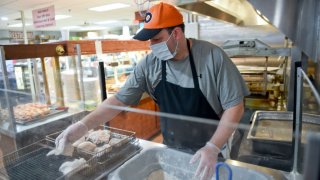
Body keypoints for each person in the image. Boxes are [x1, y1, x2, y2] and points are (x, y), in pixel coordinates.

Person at [54, 2, 249, 179]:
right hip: (172, 148)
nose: (151, 46)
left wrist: (213, 147)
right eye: (149, 41)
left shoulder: (213, 57)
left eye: (157, 39)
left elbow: (235, 106)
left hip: (213, 149)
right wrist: (83, 125)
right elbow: (119, 101)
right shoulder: (149, 64)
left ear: (177, 34)